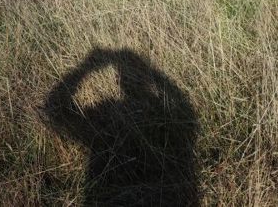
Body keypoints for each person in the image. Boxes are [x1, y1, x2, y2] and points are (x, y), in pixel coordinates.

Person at [44, 47, 200, 206]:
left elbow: (54, 112)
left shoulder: (102, 122)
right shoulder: (165, 115)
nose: (119, 79)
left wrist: (84, 69)